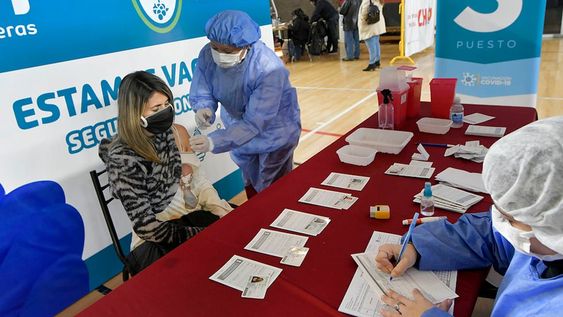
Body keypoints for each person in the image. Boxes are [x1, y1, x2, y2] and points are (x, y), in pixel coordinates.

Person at [374, 116, 563, 316]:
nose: (500, 223)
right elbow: (490, 236)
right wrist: (418, 247)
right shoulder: (545, 241)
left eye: (509, 219)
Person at [99, 71, 232, 274]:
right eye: (156, 108)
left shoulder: (170, 133)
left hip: (187, 219)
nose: (166, 111)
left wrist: (218, 209)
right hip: (155, 239)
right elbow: (147, 228)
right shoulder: (123, 159)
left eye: (166, 104)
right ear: (135, 113)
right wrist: (199, 234)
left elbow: (196, 179)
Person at [189, 10, 301, 198]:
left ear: (245, 46)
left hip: (274, 131)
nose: (219, 54)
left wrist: (214, 141)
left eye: (227, 51)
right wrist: (204, 106)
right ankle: (255, 217)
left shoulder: (268, 68)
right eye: (215, 47)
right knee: (250, 178)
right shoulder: (209, 53)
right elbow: (203, 83)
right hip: (237, 127)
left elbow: (254, 122)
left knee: (274, 186)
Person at [358, 0, 386, 71]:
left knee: (370, 44)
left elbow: (364, 12)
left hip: (369, 24)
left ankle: (372, 63)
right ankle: (377, 62)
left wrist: (362, 21)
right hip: (377, 23)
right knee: (376, 43)